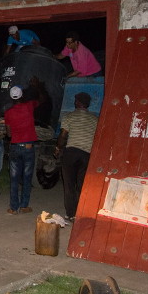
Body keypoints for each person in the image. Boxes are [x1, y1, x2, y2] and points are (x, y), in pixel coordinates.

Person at [55, 92, 99, 222]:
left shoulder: (69, 117)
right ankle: (81, 212)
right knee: (82, 185)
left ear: (78, 103)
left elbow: (63, 136)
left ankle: (70, 214)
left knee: (69, 185)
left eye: (75, 101)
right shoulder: (95, 120)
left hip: (71, 153)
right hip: (86, 154)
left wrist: (58, 148)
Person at [3, 85, 39, 215]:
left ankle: (13, 208)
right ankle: (24, 206)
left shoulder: (8, 112)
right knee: (27, 178)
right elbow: (39, 100)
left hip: (14, 147)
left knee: (14, 178)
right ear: (22, 95)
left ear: (11, 98)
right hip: (28, 147)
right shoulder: (29, 106)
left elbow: (9, 134)